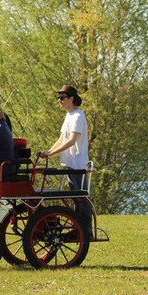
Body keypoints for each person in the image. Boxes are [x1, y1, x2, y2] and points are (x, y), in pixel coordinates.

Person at [36, 84, 92, 235]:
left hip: (77, 162)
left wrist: (51, 153)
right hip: (70, 162)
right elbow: (62, 138)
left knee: (80, 197)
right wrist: (48, 152)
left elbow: (72, 140)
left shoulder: (78, 116)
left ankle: (86, 229)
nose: (59, 101)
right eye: (59, 98)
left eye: (62, 98)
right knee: (75, 197)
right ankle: (78, 227)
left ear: (71, 99)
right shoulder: (69, 116)